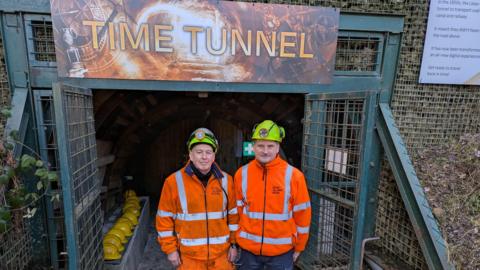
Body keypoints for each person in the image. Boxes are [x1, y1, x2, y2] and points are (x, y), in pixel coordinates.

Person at [156, 128, 239, 269]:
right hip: (189, 258)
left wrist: (233, 244)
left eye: (208, 152)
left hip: (221, 257)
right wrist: (170, 250)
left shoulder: (227, 181)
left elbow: (234, 217)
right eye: (199, 152)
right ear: (190, 155)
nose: (204, 157)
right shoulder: (173, 182)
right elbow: (164, 219)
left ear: (214, 156)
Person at [234, 120, 311, 270]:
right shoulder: (241, 174)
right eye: (261, 145)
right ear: (253, 147)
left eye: (270, 146)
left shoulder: (294, 176)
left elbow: (303, 215)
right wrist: (236, 241)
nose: (265, 151)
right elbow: (236, 212)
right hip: (248, 251)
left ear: (278, 147)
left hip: (281, 253)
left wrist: (299, 247)